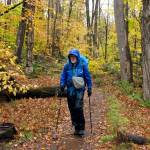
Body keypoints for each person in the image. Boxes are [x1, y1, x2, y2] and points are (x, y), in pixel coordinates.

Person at [60, 48, 92, 136]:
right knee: (72, 108)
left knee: (78, 107)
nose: (72, 58)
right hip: (70, 90)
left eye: (74, 56)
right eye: (71, 56)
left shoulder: (82, 65)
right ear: (69, 57)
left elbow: (87, 77)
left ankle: (81, 128)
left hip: (79, 90)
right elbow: (63, 76)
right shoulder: (66, 66)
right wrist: (62, 85)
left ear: (77, 57)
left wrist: (89, 88)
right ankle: (76, 127)